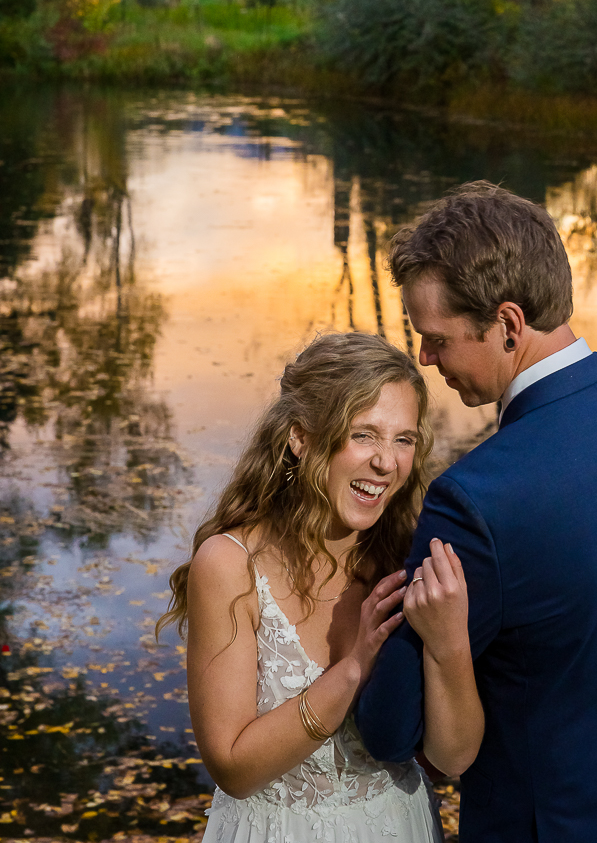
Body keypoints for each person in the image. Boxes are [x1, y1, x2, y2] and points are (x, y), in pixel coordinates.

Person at [356, 182, 597, 843]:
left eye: (437, 338)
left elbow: (393, 726)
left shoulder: (475, 499)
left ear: (508, 324)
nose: (424, 357)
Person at [158, 332, 483, 843]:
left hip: (401, 825)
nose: (386, 462)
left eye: (403, 439)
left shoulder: (407, 557)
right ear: (300, 437)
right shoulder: (229, 565)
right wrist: (352, 669)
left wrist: (450, 643)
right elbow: (234, 769)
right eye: (364, 434)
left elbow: (453, 757)